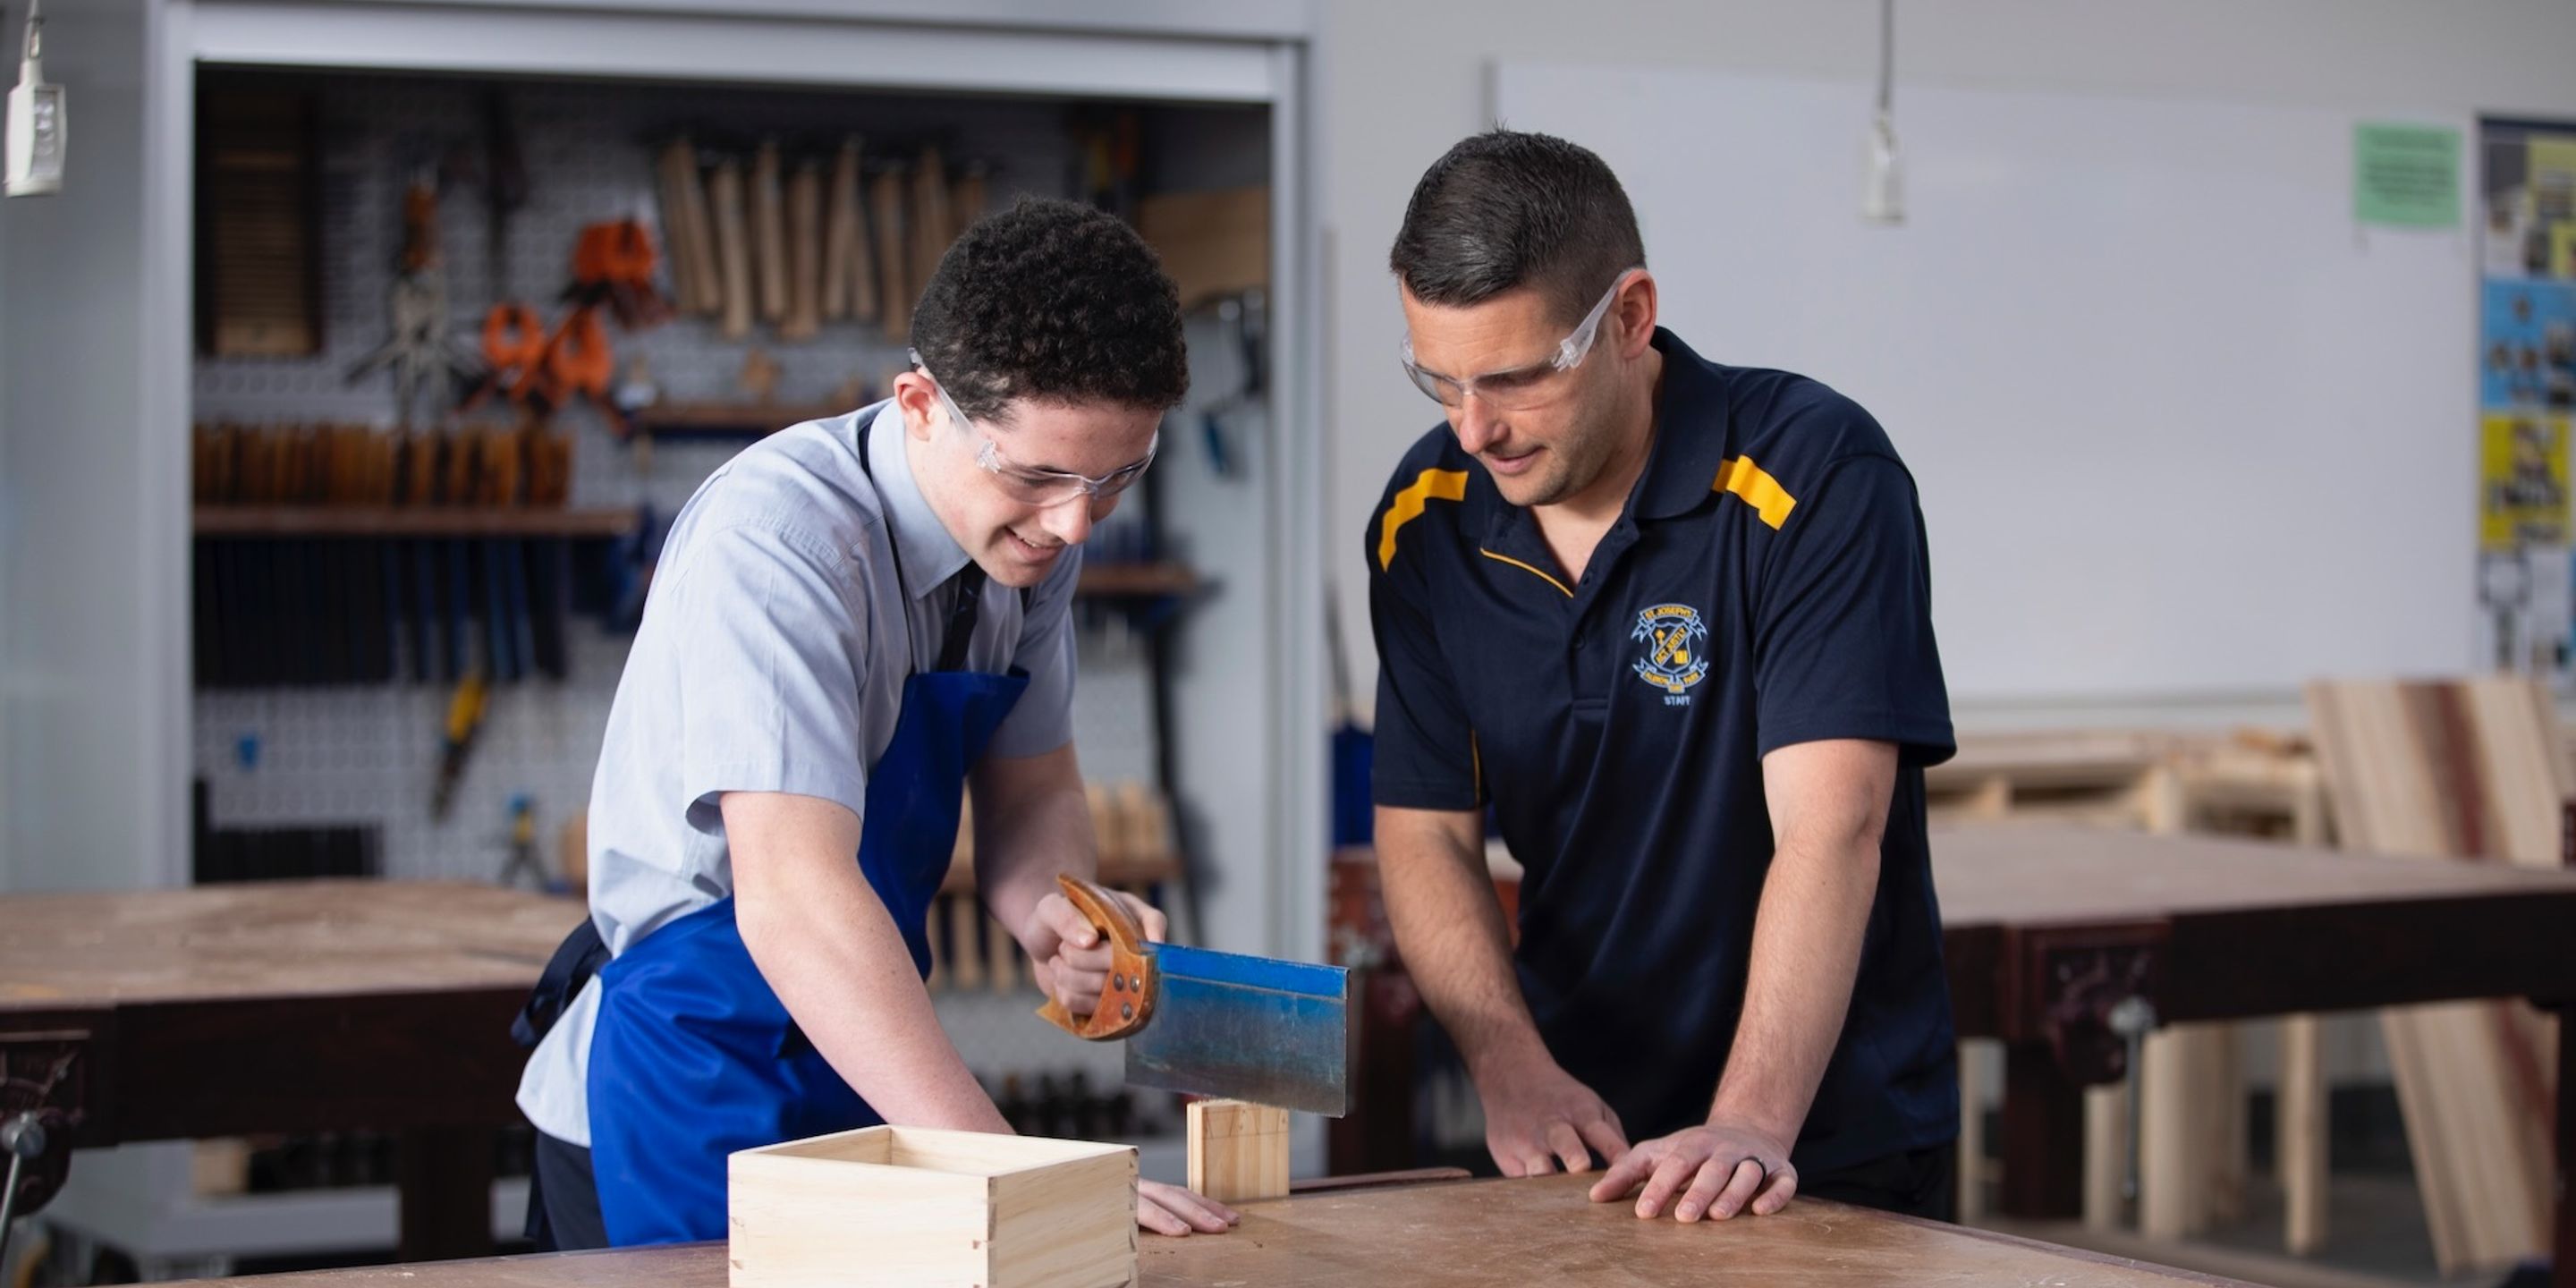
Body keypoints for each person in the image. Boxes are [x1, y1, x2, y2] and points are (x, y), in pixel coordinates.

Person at [513, 197, 1240, 1248]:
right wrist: (1024, 1176)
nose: (1076, 523)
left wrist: (1063, 917)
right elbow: (798, 901)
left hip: (860, 1050)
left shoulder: (1034, 542)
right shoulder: (779, 543)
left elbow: (1034, 791)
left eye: (1117, 475)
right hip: (682, 1073)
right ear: (918, 404)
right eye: (1037, 474)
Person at [1364, 131, 1960, 1224]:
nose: (1473, 427)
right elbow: (1429, 832)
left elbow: (1831, 830)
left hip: (1821, 1137)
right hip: (1582, 1132)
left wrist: (1749, 1123)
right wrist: (1509, 1064)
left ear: (1629, 318)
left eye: (1513, 378)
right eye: (1437, 380)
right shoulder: (1425, 519)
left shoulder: (1813, 476)